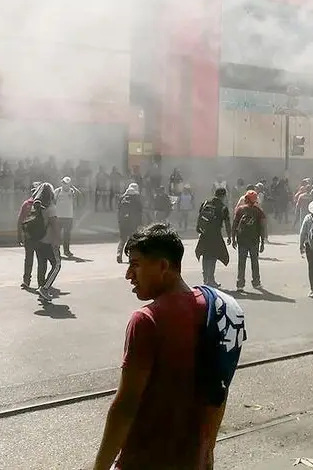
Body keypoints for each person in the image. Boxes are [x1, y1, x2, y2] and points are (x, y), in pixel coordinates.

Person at [92, 224, 244, 470]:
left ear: (163, 266)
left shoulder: (146, 320)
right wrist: (207, 454)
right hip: (193, 459)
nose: (129, 274)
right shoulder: (220, 309)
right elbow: (219, 392)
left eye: (136, 264)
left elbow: (126, 404)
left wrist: (98, 467)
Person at [30, 182, 64, 301]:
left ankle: (41, 288)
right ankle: (45, 288)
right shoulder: (51, 208)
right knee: (57, 265)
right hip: (48, 241)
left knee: (42, 265)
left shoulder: (36, 206)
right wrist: (58, 241)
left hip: (38, 240)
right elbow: (55, 226)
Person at [231, 190, 267, 292]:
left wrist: (233, 238)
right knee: (254, 262)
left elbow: (234, 224)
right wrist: (262, 242)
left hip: (241, 240)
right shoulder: (258, 211)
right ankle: (256, 282)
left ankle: (240, 284)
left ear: (246, 199)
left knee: (241, 263)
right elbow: (262, 227)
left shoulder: (240, 210)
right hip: (254, 241)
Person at [195, 187, 231, 288]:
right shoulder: (223, 207)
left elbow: (200, 216)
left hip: (204, 233)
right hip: (215, 235)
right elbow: (227, 223)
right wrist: (229, 236)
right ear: (223, 196)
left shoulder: (205, 203)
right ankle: (210, 279)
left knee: (205, 255)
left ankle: (205, 279)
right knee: (213, 257)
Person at [16, 182, 41, 289]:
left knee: (41, 261)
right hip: (29, 236)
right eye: (33, 191)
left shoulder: (44, 204)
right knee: (29, 259)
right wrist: (19, 235)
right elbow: (20, 220)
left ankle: (42, 283)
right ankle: (26, 280)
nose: (35, 193)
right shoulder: (26, 204)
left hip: (41, 236)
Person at [116, 183, 144, 263]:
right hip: (132, 222)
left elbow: (118, 210)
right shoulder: (136, 199)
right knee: (132, 240)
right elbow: (139, 212)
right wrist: (140, 223)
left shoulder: (122, 198)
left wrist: (120, 221)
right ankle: (131, 257)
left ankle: (119, 254)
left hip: (122, 222)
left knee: (122, 239)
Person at [55, 176, 80, 258]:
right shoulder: (57, 191)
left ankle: (66, 250)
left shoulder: (72, 192)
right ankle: (56, 250)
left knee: (67, 235)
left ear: (69, 184)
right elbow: (53, 201)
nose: (64, 184)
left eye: (66, 183)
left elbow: (79, 199)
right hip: (58, 216)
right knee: (57, 235)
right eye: (63, 183)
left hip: (68, 216)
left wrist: (74, 191)